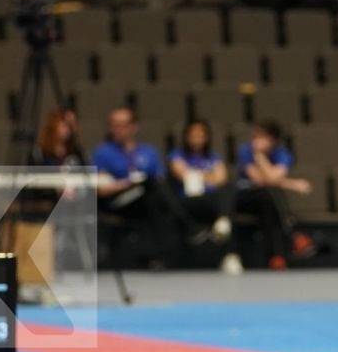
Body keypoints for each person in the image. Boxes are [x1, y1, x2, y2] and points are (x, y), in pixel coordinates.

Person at [93, 107, 185, 268]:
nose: (118, 129)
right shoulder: (103, 153)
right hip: (117, 201)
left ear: (134, 126)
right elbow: (102, 189)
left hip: (146, 200)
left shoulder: (149, 152)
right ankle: (186, 225)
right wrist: (130, 183)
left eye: (122, 124)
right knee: (149, 186)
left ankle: (161, 254)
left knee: (155, 192)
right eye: (114, 125)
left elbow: (160, 180)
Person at [233, 121, 312, 270]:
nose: (256, 140)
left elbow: (273, 179)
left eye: (262, 137)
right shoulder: (245, 150)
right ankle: (291, 236)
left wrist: (261, 158)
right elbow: (260, 179)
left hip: (266, 200)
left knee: (270, 200)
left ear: (273, 140)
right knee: (272, 193)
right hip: (244, 197)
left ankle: (276, 258)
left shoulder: (283, 154)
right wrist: (293, 184)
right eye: (255, 136)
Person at [169, 119, 234, 248]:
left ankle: (223, 221)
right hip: (189, 199)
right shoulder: (177, 155)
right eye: (193, 136)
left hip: (211, 198)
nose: (197, 140)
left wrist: (196, 174)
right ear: (186, 137)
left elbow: (222, 179)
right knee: (224, 200)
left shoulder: (213, 156)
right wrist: (209, 176)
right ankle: (223, 220)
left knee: (230, 188)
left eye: (200, 136)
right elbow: (183, 175)